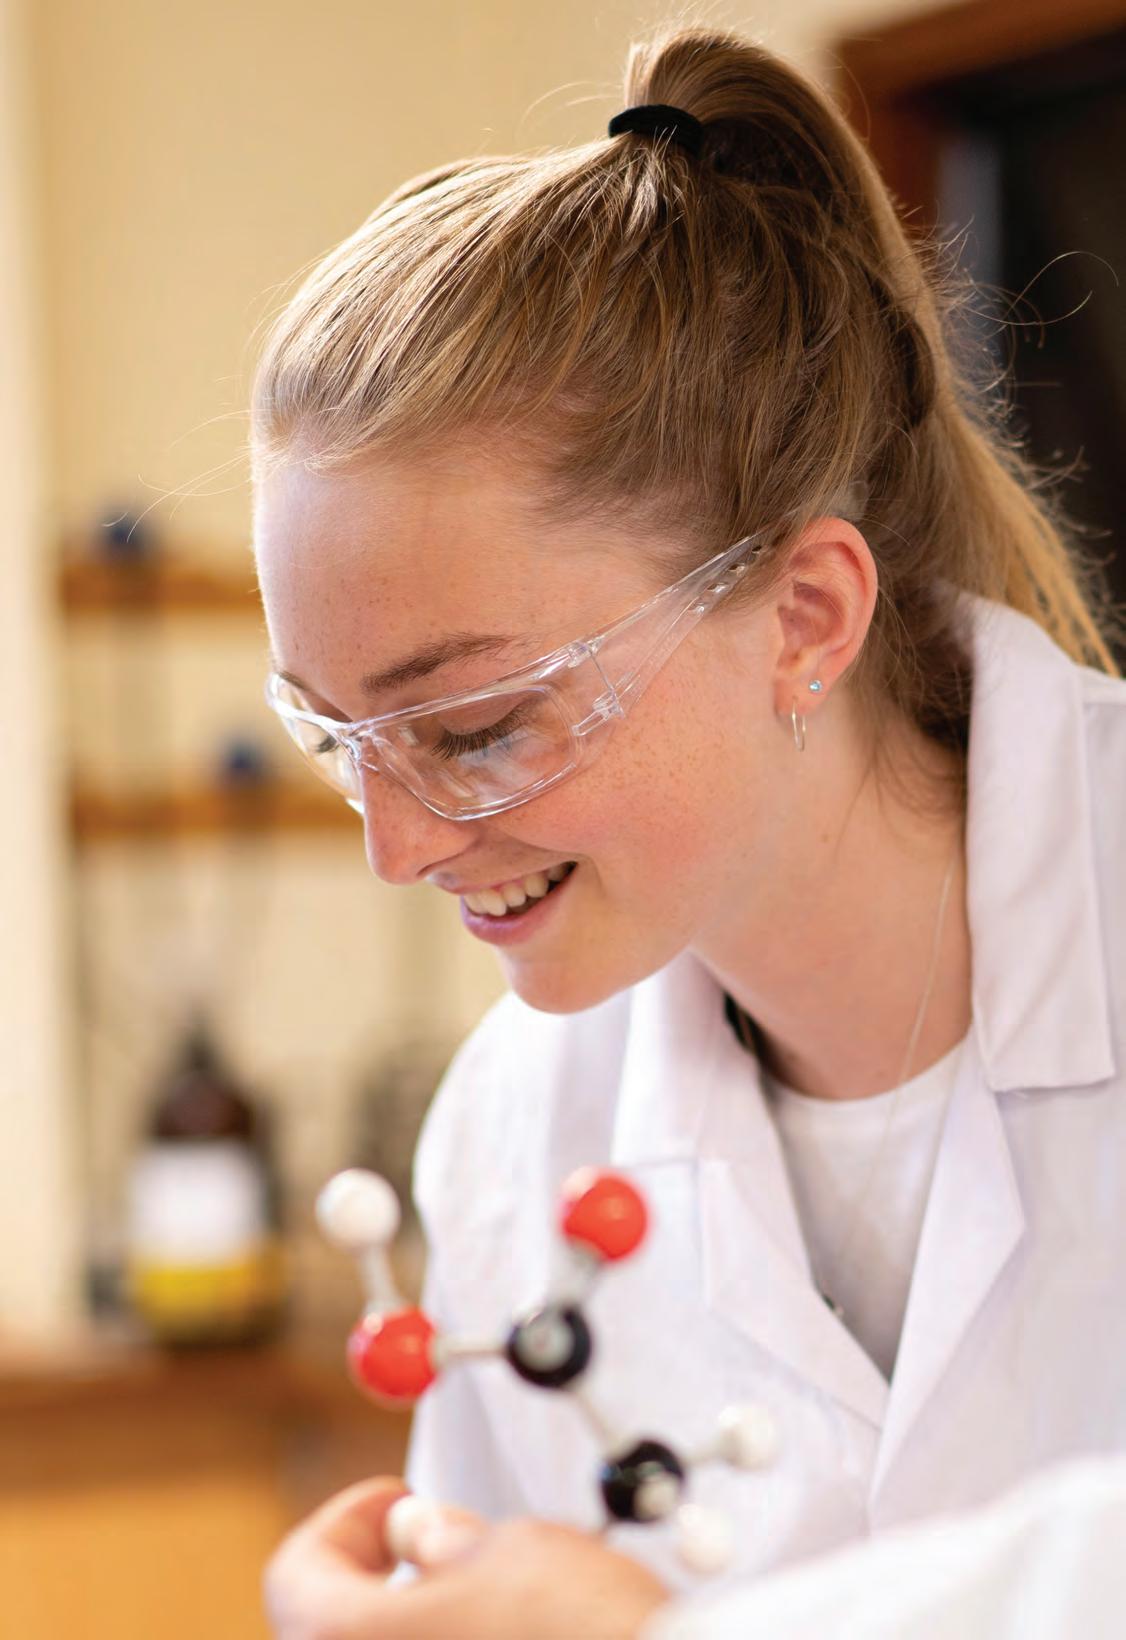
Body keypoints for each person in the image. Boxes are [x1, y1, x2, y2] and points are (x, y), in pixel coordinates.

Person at [252, 22, 1126, 1639]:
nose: (398, 849)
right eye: (337, 737)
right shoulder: (520, 1125)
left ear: (804, 617)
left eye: (476, 727)